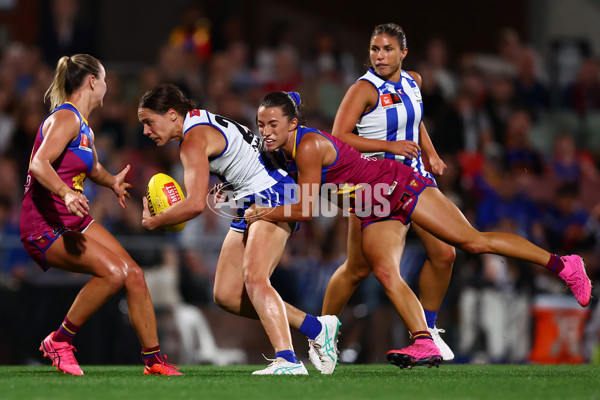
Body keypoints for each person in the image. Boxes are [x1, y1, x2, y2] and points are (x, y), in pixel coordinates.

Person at [245, 90, 592, 369]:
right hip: (372, 205)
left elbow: (306, 209)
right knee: (379, 270)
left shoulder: (306, 147)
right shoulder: (287, 153)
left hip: (398, 184)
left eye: (273, 124)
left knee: (472, 241)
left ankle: (564, 265)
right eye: (261, 124)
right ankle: (421, 340)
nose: (266, 131)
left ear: (292, 123)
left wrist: (264, 212)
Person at [137, 83, 340, 375]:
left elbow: (195, 204)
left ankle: (288, 360)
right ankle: (317, 327)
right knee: (227, 295)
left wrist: (156, 221)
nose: (146, 131)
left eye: (148, 122)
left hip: (271, 195)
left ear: (171, 114)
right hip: (252, 199)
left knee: (255, 279)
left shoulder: (192, 140)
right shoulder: (199, 118)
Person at [20, 55, 181, 376]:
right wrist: (66, 193)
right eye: (105, 80)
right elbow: (38, 164)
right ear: (93, 82)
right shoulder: (64, 119)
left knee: (133, 274)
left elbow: (90, 167)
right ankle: (59, 340)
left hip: (72, 221)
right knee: (114, 274)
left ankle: (154, 361)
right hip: (44, 225)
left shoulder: (83, 126)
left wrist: (111, 182)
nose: (108, 87)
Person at [324, 23, 455, 361]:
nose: (379, 56)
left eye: (386, 49)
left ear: (403, 53)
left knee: (445, 254)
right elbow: (338, 136)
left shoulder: (414, 80)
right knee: (357, 268)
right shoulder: (363, 89)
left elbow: (416, 117)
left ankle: (428, 330)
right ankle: (323, 335)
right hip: (375, 184)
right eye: (374, 49)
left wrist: (431, 152)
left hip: (415, 179)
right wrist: (388, 145)